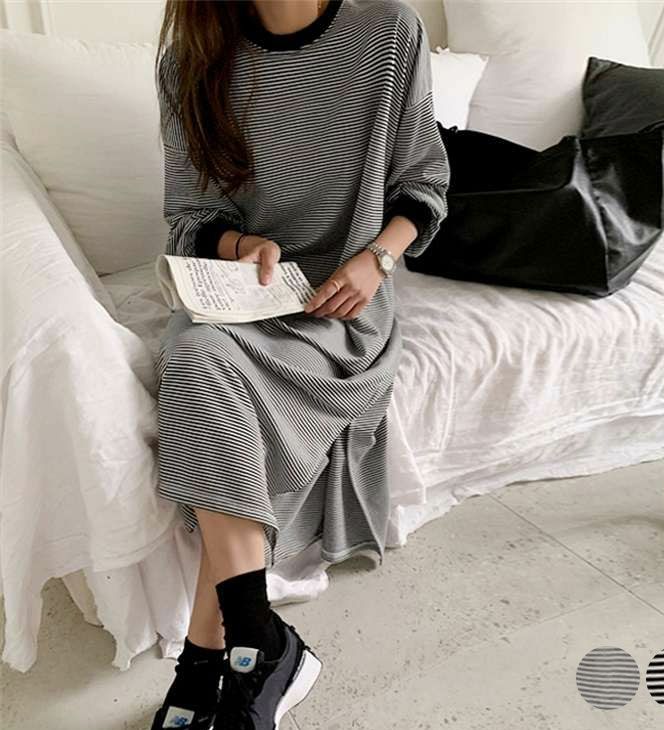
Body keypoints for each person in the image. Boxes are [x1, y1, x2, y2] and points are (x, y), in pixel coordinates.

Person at [150, 1, 449, 728]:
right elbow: (190, 215)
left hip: (343, 302)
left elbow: (423, 184)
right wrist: (241, 247)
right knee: (194, 354)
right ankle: (255, 642)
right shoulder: (190, 56)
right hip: (241, 293)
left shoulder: (387, 32)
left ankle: (207, 657)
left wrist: (376, 260)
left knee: (210, 387)